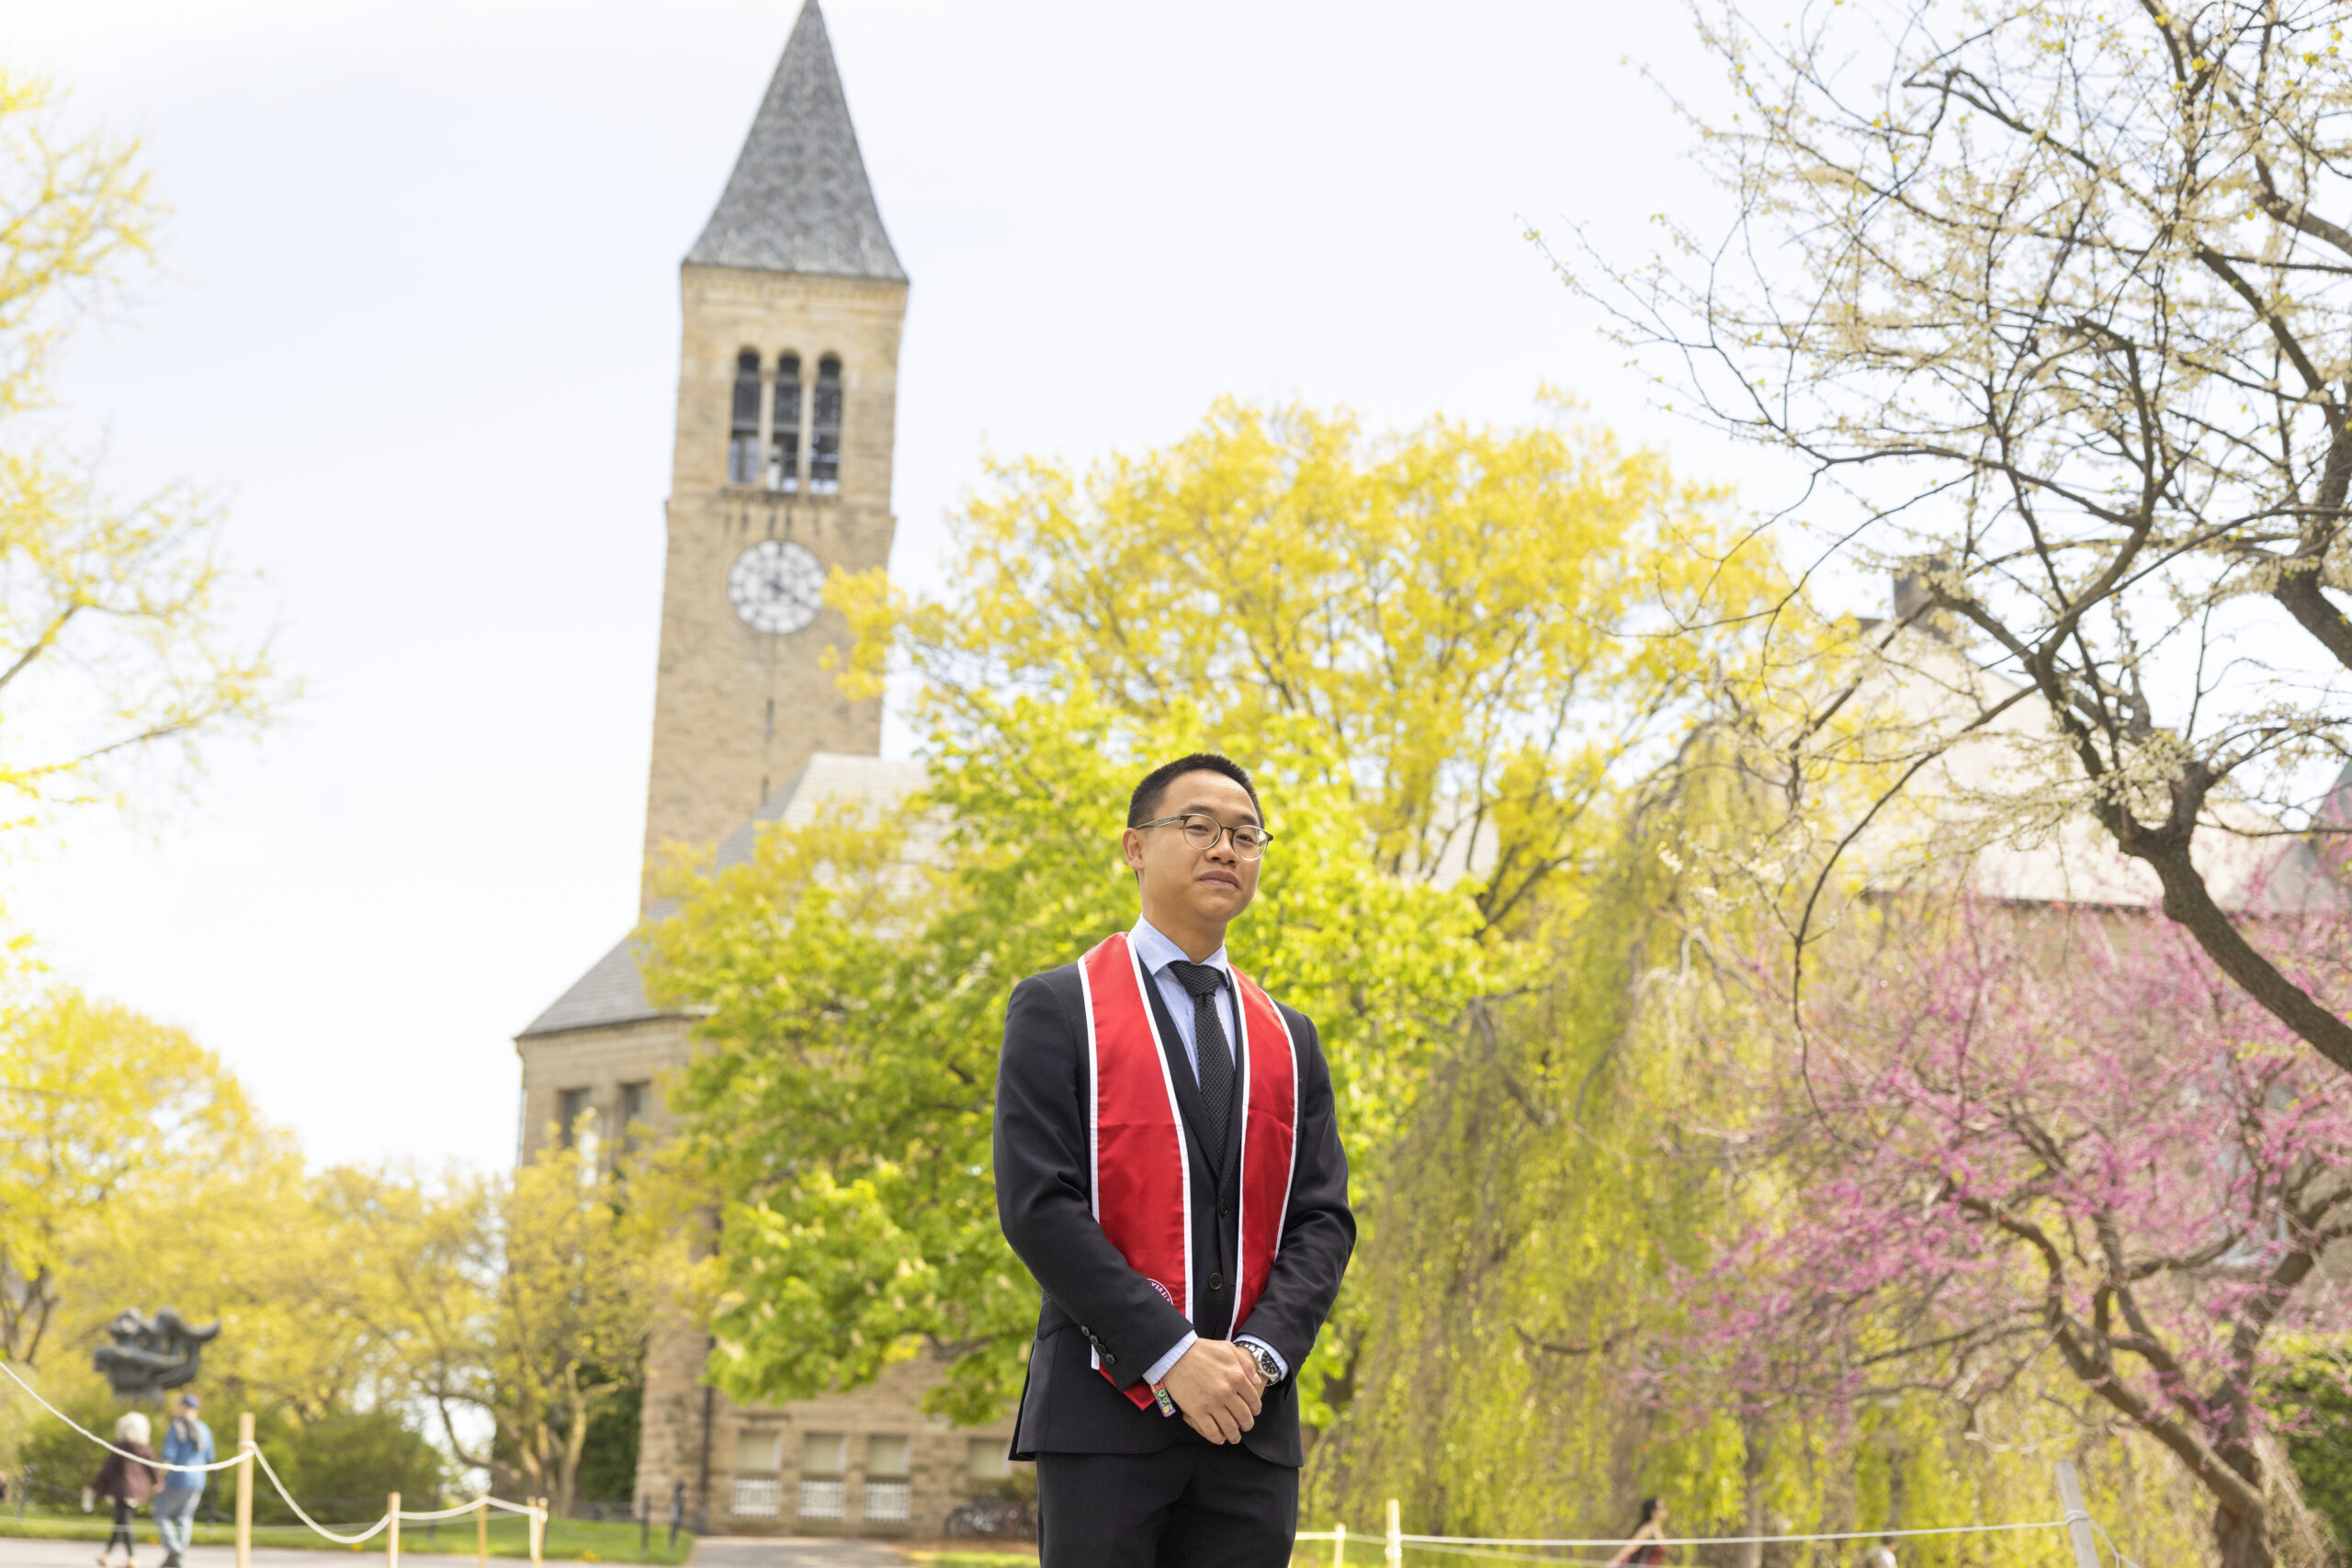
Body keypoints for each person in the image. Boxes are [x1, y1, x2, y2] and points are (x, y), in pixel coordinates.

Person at [995, 752, 1355, 1567]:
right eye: (1198, 827)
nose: (1224, 848)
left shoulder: (1289, 1038)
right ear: (1134, 847)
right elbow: (1037, 1205)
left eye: (1245, 834)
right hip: (1105, 1420)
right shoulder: (1062, 1007)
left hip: (1251, 1426)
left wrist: (1255, 1361)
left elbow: (1322, 1219)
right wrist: (1173, 1355)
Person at [84, 1413, 162, 1568]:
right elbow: (152, 1468)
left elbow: (107, 1470)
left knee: (123, 1524)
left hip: (122, 1490)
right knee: (120, 1523)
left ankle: (131, 1557)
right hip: (136, 1491)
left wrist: (93, 1486)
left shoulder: (120, 1447)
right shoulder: (145, 1448)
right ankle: (107, 1555)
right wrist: (157, 1482)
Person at [153, 1395, 214, 1568]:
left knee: (160, 1513)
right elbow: (210, 1456)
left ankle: (175, 1550)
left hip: (178, 1479)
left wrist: (158, 1479)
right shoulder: (205, 1429)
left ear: (184, 1406)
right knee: (184, 1518)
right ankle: (178, 1559)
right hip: (198, 1480)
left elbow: (168, 1457)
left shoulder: (177, 1426)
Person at [1606, 1498, 1669, 1568]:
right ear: (1653, 1512)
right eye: (1662, 1508)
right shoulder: (1648, 1529)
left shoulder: (1658, 1529)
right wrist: (1616, 1560)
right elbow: (1632, 1545)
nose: (1665, 1510)